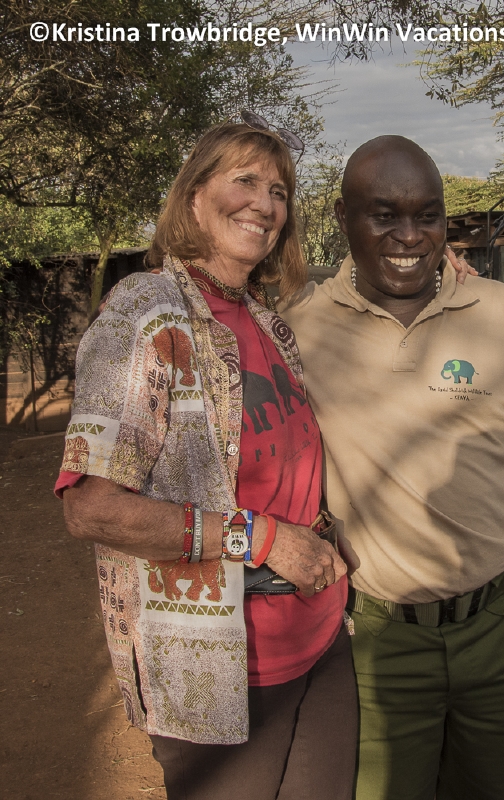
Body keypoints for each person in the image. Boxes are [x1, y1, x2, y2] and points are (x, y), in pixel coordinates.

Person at [280, 135, 504, 800]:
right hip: (375, 641)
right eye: (384, 215)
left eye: (428, 216)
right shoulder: (298, 326)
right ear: (342, 217)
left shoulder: (503, 314)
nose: (409, 236)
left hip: (502, 627)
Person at [55, 121, 357, 800]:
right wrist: (264, 538)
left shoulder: (267, 320)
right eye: (244, 180)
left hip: (319, 637)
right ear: (193, 196)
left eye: (278, 191)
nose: (264, 204)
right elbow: (91, 510)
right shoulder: (146, 314)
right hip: (221, 664)